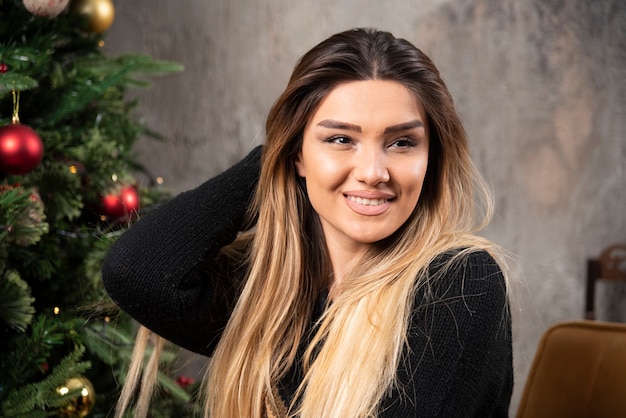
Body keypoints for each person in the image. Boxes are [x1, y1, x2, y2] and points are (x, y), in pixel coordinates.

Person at [102, 27, 513, 418]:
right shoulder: (274, 290)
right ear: (297, 153)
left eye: (402, 142)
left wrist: (308, 155)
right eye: (340, 139)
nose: (373, 172)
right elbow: (136, 272)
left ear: (432, 158)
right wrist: (273, 164)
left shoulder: (461, 283)